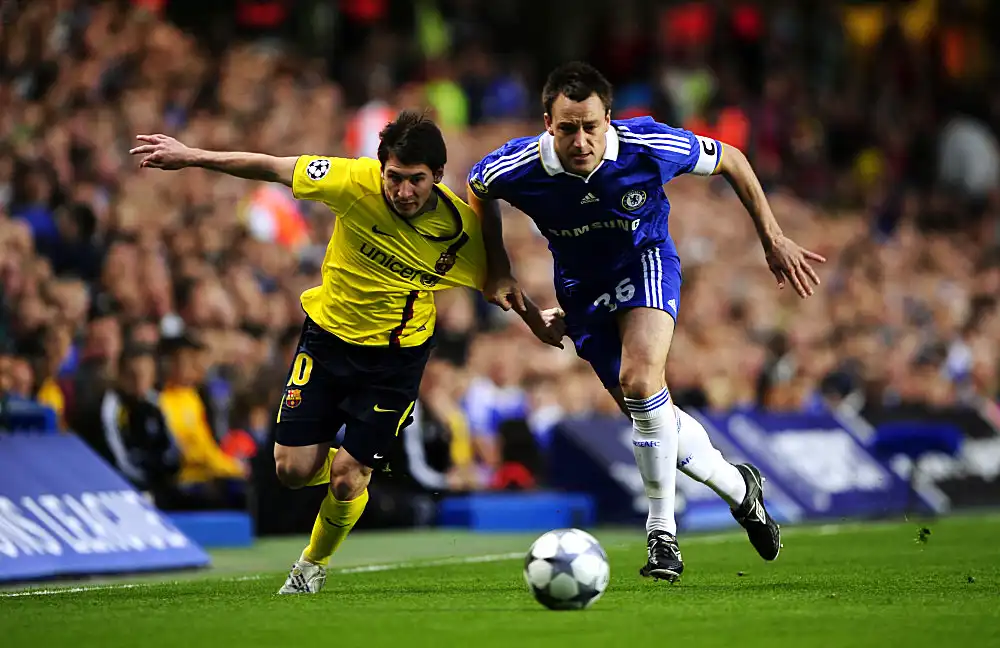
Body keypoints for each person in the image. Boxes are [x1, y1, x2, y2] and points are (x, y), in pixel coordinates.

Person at [129, 110, 564, 594]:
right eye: (394, 177)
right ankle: (358, 466)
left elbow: (501, 286)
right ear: (380, 168)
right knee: (291, 471)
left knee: (345, 479)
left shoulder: (459, 232)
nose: (402, 191)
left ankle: (312, 562)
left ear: (438, 176)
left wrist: (537, 320)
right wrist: (190, 155)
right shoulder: (351, 181)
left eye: (416, 180)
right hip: (327, 341)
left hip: (394, 360)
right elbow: (271, 166)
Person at [467, 62, 826, 582]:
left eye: (591, 126)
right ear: (548, 124)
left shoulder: (647, 145)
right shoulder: (518, 165)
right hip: (582, 291)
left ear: (609, 118)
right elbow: (478, 189)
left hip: (646, 262)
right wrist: (499, 270)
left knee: (640, 380)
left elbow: (732, 158)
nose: (581, 140)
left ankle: (662, 533)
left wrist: (772, 238)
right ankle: (739, 488)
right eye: (567, 128)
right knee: (651, 417)